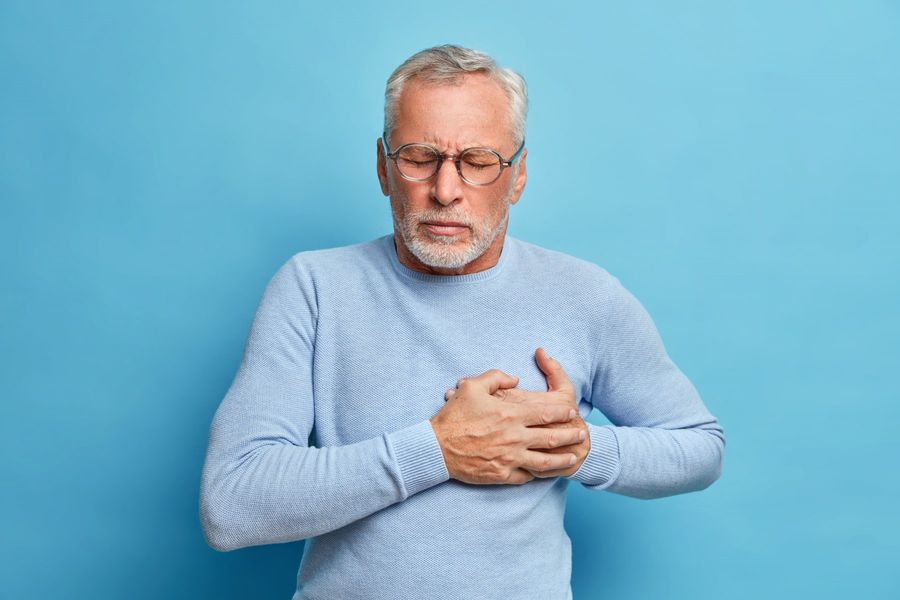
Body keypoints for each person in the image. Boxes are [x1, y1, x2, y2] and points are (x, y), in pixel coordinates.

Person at [200, 44, 725, 600]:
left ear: (517, 175)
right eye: (419, 157)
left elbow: (700, 448)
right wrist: (438, 449)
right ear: (383, 166)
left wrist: (571, 446)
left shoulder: (586, 296)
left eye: (477, 162)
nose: (445, 191)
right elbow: (232, 506)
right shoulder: (313, 288)